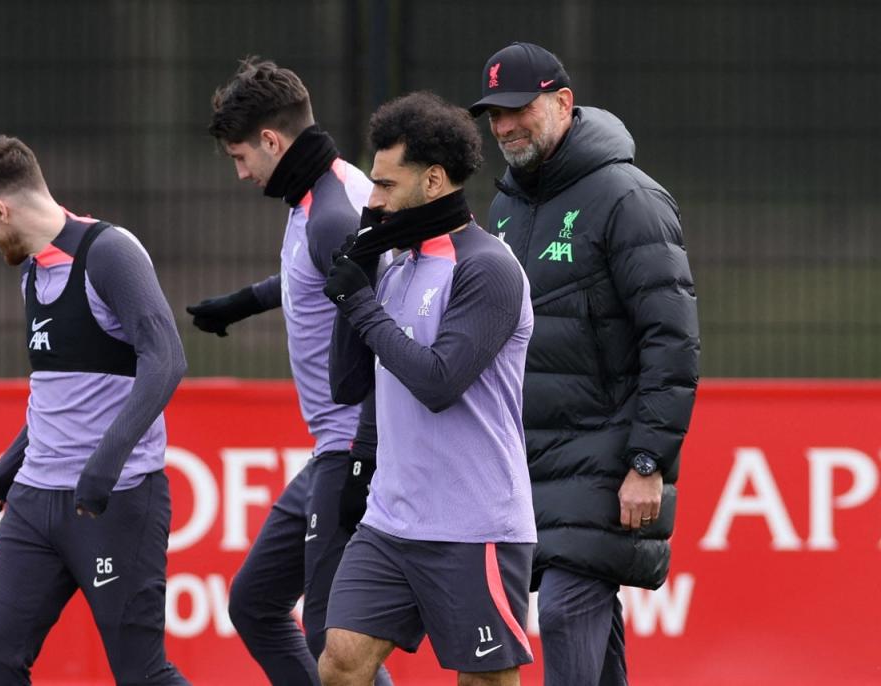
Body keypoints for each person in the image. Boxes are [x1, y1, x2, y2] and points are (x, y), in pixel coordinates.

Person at [468, 42, 701, 685]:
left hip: (608, 456)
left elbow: (672, 340)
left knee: (570, 610)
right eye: (495, 115)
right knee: (588, 619)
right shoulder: (506, 206)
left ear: (563, 103)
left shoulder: (630, 199)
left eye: (519, 109)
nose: (506, 126)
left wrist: (649, 461)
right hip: (531, 461)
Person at [0, 135, 189, 685]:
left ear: (0, 209)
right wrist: (5, 469)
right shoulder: (32, 269)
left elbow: (167, 359)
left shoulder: (109, 252)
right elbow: (58, 397)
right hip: (35, 503)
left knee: (142, 673)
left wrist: (103, 465)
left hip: (117, 500)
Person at [318, 91, 537, 686]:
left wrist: (361, 306)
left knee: (484, 680)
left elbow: (438, 381)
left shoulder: (487, 268)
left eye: (386, 185)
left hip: (475, 525)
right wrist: (359, 279)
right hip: (391, 520)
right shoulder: (395, 263)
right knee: (340, 661)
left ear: (434, 180)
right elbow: (347, 384)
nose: (374, 199)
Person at [185, 58, 390, 686]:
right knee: (255, 605)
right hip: (333, 447)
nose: (242, 171)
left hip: (354, 446)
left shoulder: (332, 211)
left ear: (272, 140)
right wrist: (243, 303)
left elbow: (383, 333)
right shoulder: (320, 192)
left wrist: (364, 453)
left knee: (333, 639)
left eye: (241, 156)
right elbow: (315, 277)